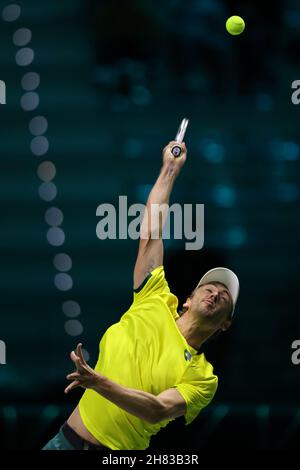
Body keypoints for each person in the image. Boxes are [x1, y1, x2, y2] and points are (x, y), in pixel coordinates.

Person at [42, 141, 239, 451]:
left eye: (224, 296)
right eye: (208, 287)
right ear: (187, 299)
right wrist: (170, 169)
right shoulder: (154, 298)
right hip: (63, 442)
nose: (215, 292)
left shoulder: (203, 378)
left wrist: (99, 383)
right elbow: (151, 232)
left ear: (225, 324)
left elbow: (156, 409)